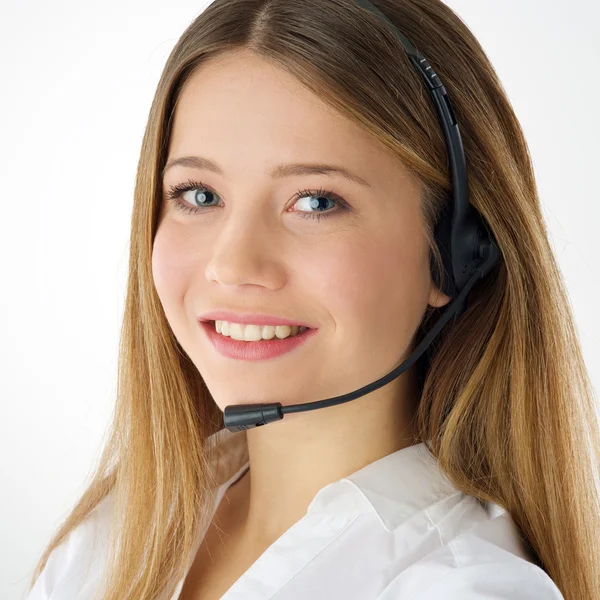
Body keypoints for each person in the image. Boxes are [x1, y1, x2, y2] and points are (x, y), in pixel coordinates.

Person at [26, 0, 600, 599]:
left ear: (455, 254)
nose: (232, 264)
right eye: (199, 194)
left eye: (316, 202)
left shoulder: (463, 588)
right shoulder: (112, 537)